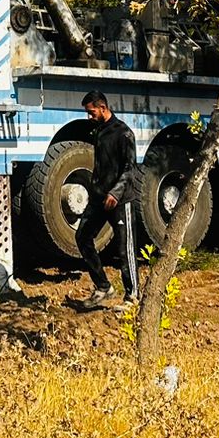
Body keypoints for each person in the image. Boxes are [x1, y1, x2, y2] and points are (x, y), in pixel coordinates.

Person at [75, 90, 139, 306]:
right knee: (82, 237)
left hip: (121, 200)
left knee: (124, 248)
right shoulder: (99, 131)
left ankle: (132, 296)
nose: (89, 117)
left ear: (102, 107)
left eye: (91, 112)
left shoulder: (124, 134)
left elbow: (130, 168)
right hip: (99, 198)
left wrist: (115, 192)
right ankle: (103, 287)